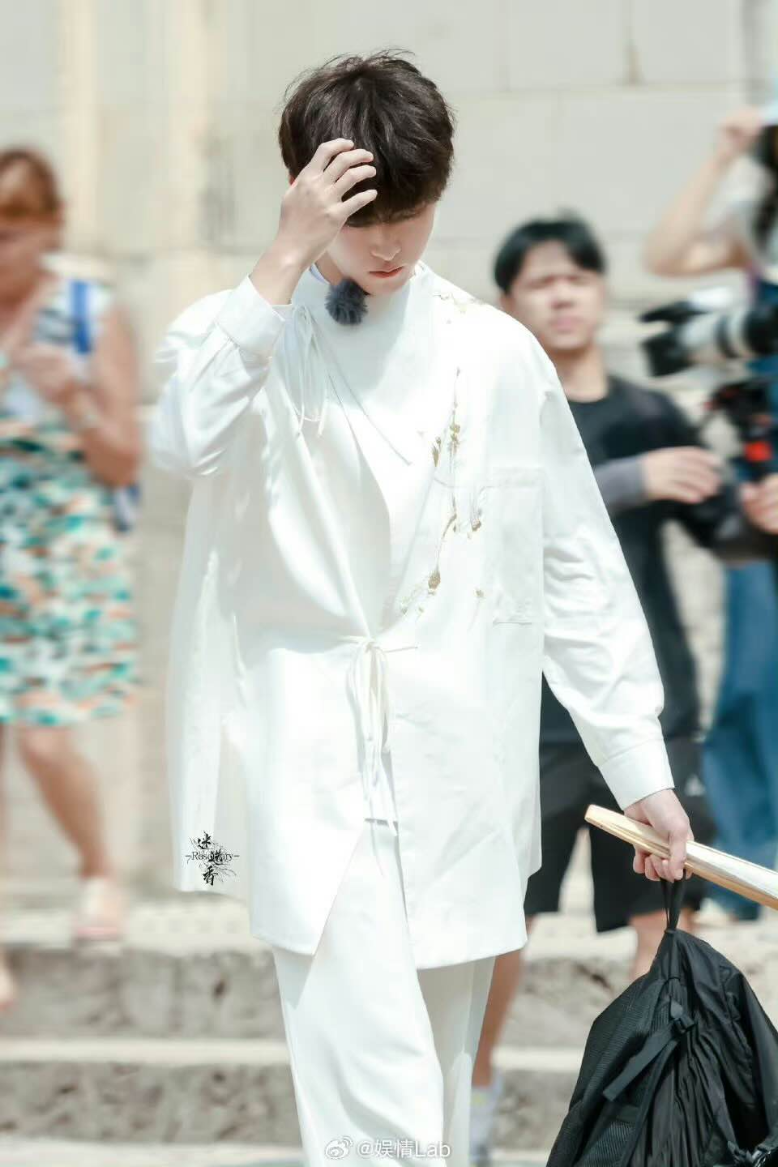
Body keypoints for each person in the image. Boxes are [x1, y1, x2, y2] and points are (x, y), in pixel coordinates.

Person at [150, 53, 693, 1167]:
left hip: (459, 767)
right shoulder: (243, 332)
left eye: (413, 213)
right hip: (312, 766)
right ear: (307, 198)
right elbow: (182, 441)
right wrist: (285, 257)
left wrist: (637, 765)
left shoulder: (494, 353)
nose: (390, 244)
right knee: (379, 1109)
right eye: (363, 220)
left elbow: (573, 566)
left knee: (434, 1100)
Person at [468, 212, 778, 1165]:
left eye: (577, 278)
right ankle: (471, 1094)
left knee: (660, 919)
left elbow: (725, 533)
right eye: (541, 282)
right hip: (528, 714)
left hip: (652, 712)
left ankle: (646, 1121)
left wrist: (759, 515)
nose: (562, 295)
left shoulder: (652, 411)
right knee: (501, 922)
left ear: (601, 292)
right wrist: (635, 478)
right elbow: (504, 512)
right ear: (509, 303)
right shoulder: (499, 411)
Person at [0, 148, 142, 1012]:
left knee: (44, 742)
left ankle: (98, 868)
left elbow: (124, 458)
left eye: (10, 231)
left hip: (60, 552)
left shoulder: (89, 313)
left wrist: (74, 399)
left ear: (49, 228)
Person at [644, 105, 778, 921]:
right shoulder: (758, 228)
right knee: (753, 680)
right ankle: (756, 866)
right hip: (762, 490)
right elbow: (664, 255)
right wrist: (723, 156)